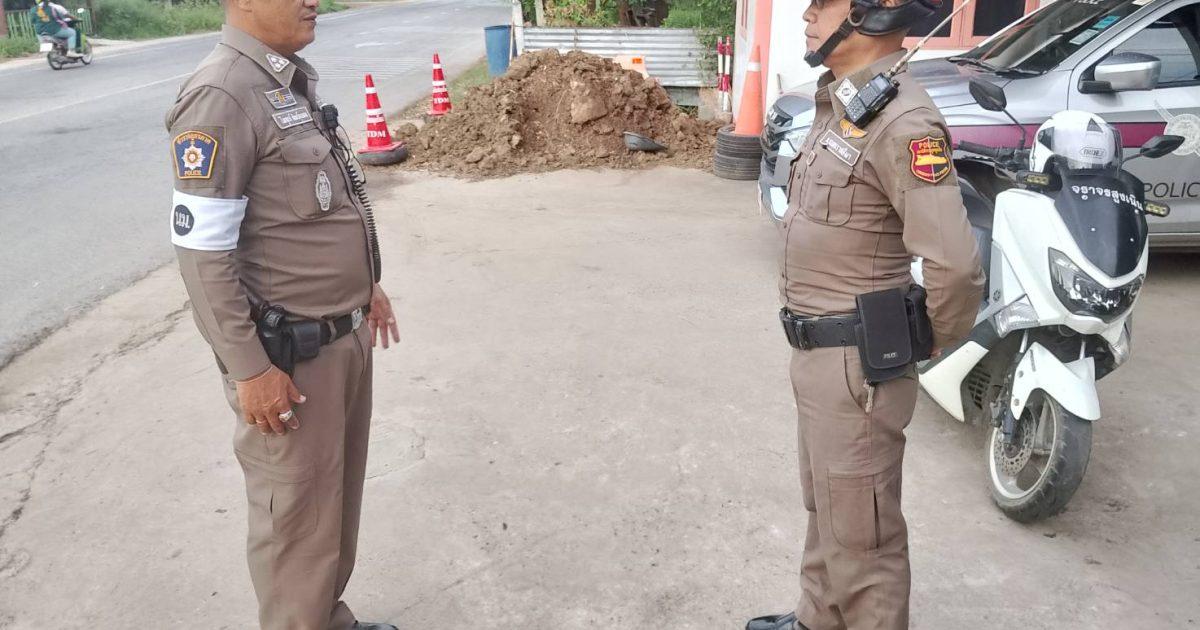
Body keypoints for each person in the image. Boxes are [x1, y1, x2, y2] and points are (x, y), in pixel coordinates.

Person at [164, 0, 401, 627]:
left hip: (340, 336)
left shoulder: (282, 81)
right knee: (296, 521)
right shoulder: (222, 94)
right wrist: (249, 370)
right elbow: (202, 254)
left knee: (333, 506)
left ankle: (328, 618)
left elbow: (314, 215)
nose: (312, 0)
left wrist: (366, 287)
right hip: (289, 363)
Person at [748, 1, 985, 629]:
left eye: (823, 4)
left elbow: (954, 265)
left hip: (858, 365)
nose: (807, 15)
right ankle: (818, 618)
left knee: (864, 538)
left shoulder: (904, 122)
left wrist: (924, 341)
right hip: (819, 356)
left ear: (871, 14)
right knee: (829, 505)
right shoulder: (846, 105)